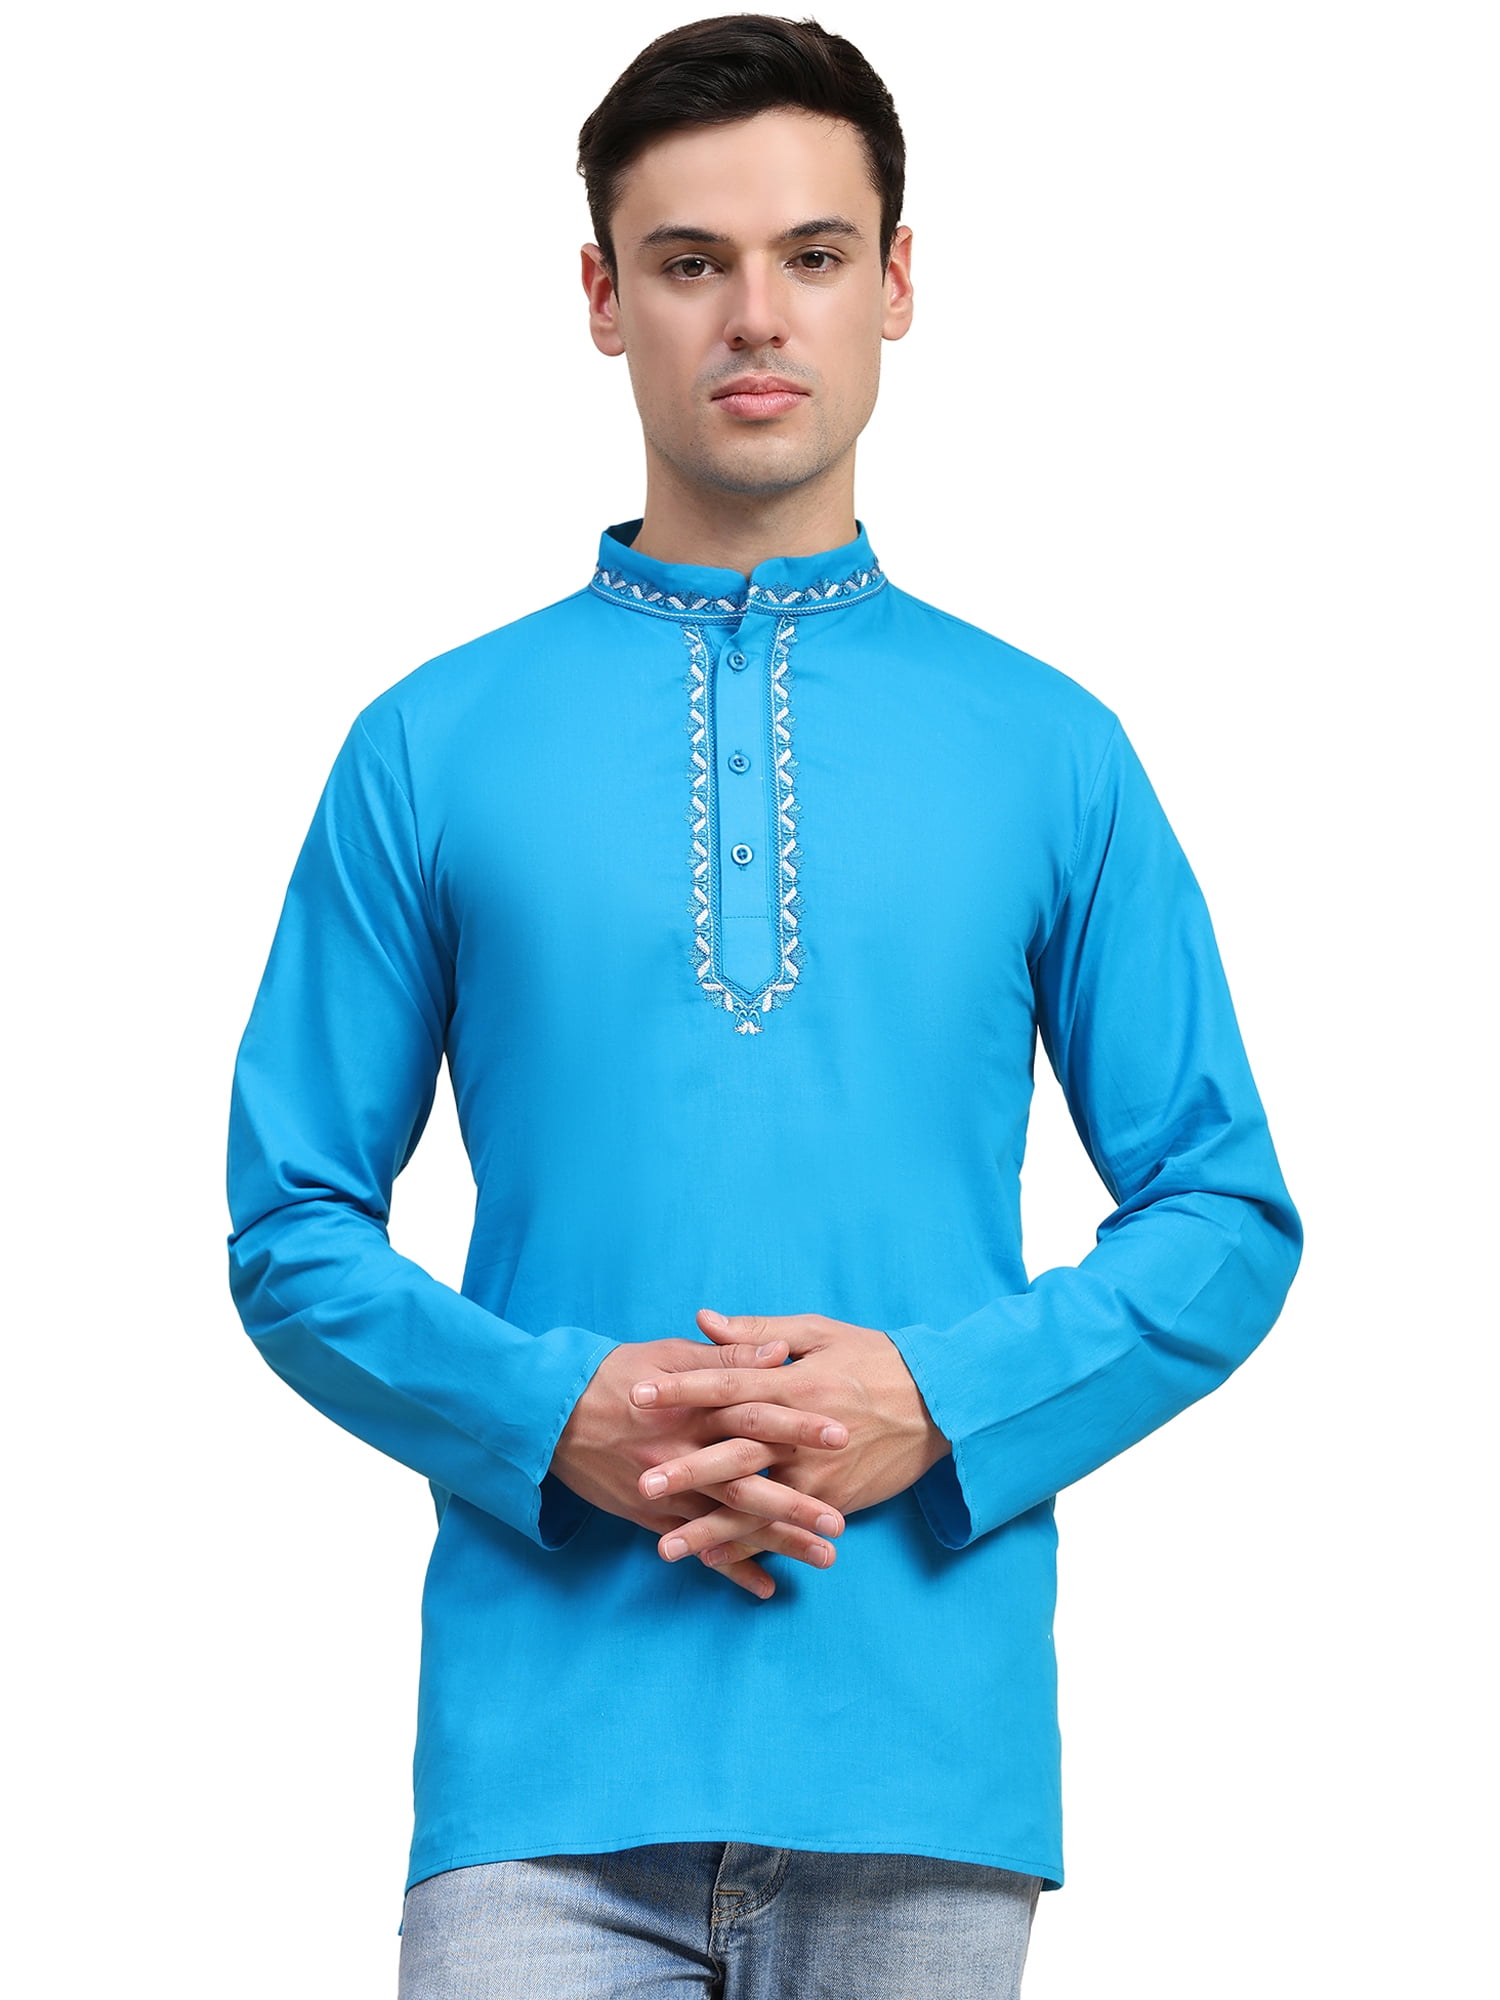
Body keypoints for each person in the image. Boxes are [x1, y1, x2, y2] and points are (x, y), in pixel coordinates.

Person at [225, 15, 1303, 1996]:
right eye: (689, 260)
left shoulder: (1049, 747)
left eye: (813, 254)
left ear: (897, 283)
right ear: (600, 296)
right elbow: (289, 1225)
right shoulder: (429, 743)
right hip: (538, 1780)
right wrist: (555, 1413)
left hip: (923, 1763)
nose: (755, 314)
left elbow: (1226, 1213)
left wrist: (938, 1403)